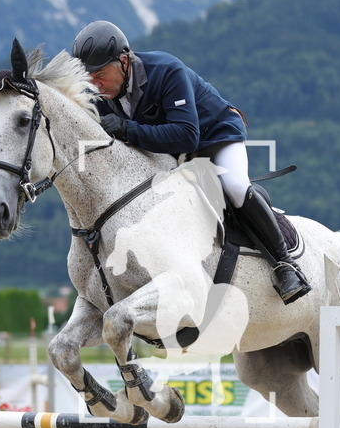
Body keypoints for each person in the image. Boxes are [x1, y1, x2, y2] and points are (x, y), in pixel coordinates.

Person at [71, 20, 311, 305]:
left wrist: (126, 129)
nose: (95, 84)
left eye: (100, 74)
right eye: (89, 77)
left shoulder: (166, 71)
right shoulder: (100, 95)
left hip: (215, 136)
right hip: (169, 152)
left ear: (124, 61)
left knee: (234, 185)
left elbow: (186, 135)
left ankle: (285, 266)